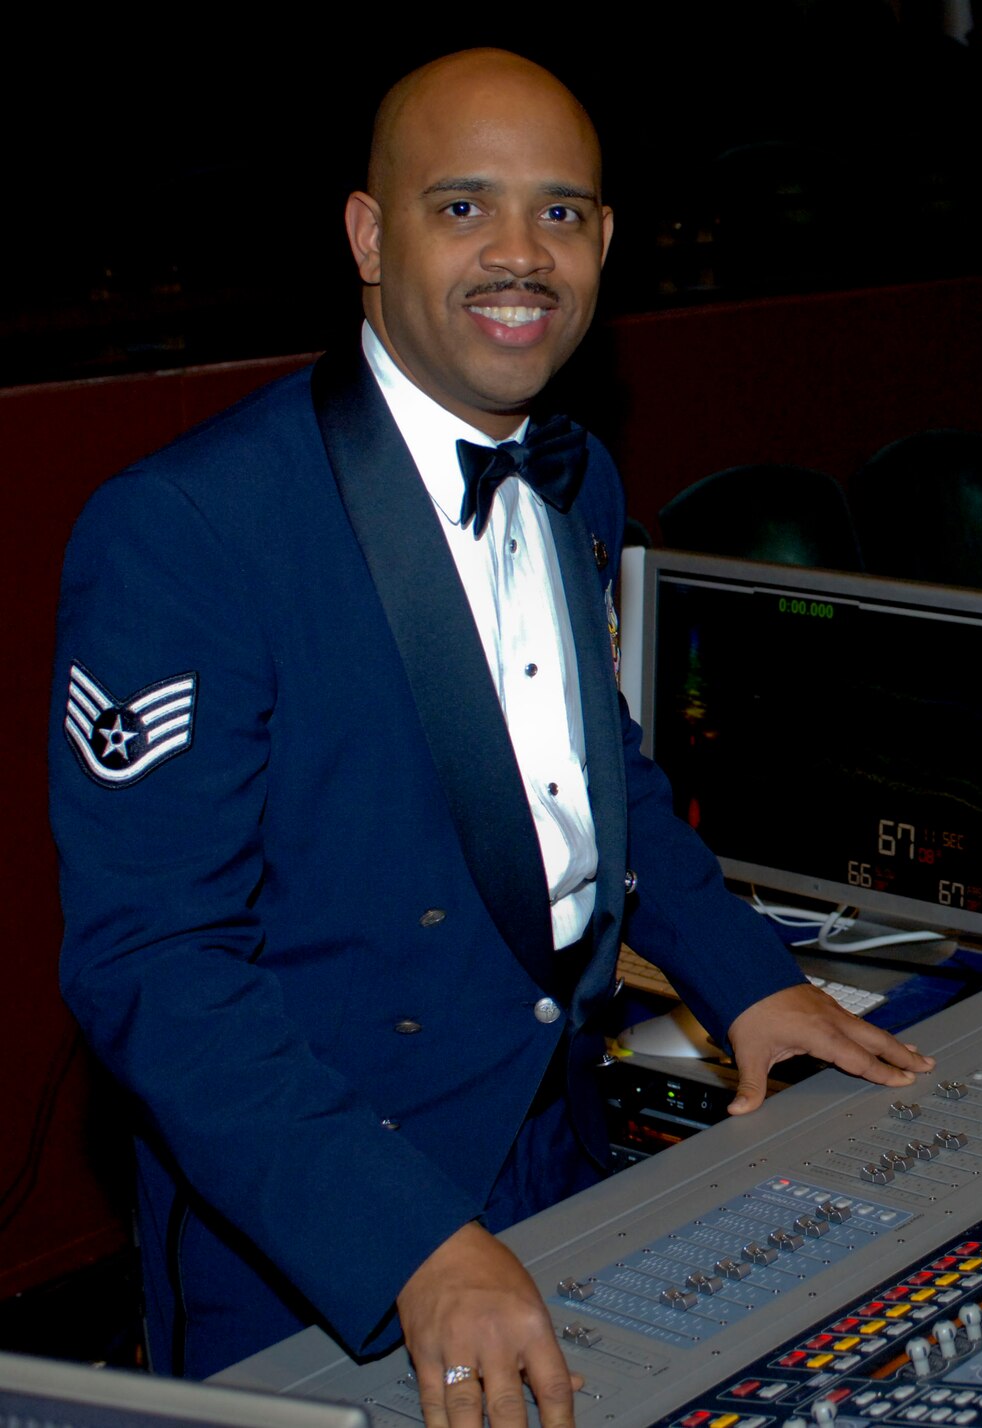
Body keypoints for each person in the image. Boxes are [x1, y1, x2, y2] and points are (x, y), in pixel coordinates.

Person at [48, 48, 932, 1428]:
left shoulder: (577, 476)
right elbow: (152, 965)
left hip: (557, 1137)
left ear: (606, 244)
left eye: (561, 213)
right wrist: (403, 1238)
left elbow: (601, 774)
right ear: (366, 234)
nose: (521, 255)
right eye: (464, 208)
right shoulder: (191, 529)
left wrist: (744, 979)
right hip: (321, 1217)